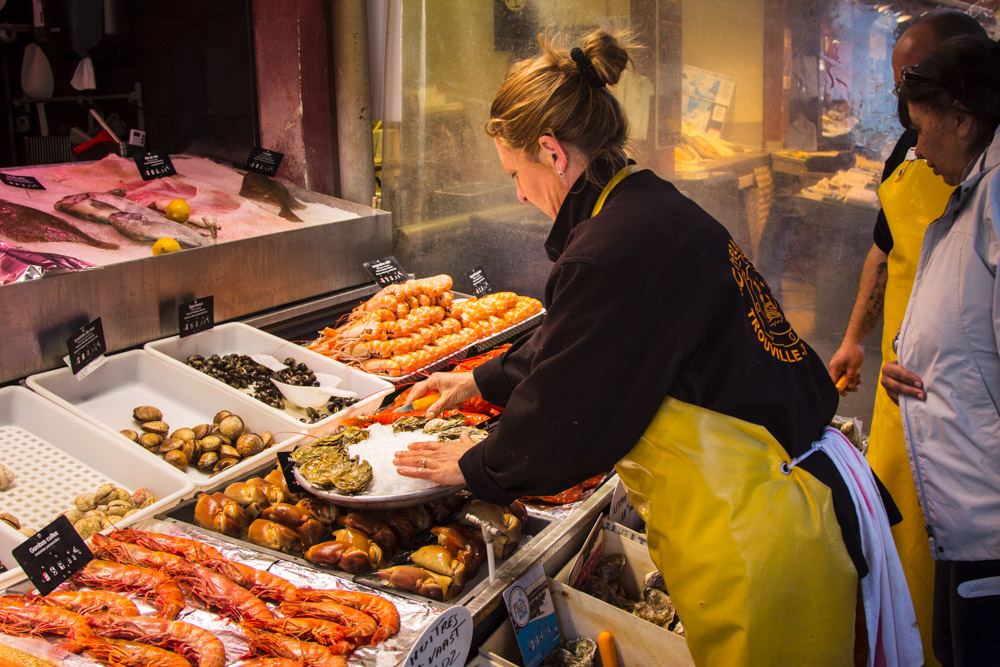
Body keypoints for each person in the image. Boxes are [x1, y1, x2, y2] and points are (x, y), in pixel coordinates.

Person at [393, 29, 917, 666]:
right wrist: (480, 382)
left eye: (515, 173)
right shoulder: (643, 204)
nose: (519, 194)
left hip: (764, 527)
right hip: (792, 493)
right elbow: (592, 337)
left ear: (552, 153)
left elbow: (568, 419)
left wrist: (474, 466)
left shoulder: (613, 249)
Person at [826, 12, 987, 664]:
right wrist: (853, 338)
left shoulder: (988, 186)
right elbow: (881, 251)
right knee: (899, 553)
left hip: (969, 424)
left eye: (913, 86)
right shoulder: (909, 151)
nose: (904, 115)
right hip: (900, 399)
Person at [881, 35, 1000, 666]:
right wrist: (922, 362)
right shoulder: (976, 188)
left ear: (962, 117)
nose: (917, 149)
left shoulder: (998, 195)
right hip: (965, 518)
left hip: (991, 521)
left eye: (924, 130)